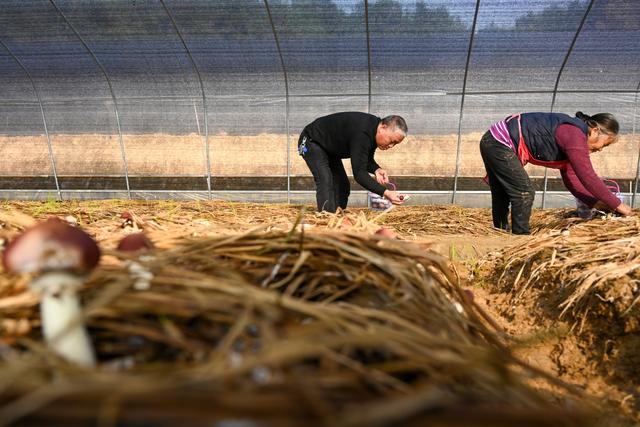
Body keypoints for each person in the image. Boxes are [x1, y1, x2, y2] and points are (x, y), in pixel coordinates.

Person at [480, 111, 632, 234]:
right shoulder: (575, 135)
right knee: (523, 192)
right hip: (499, 143)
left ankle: (499, 232)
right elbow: (588, 176)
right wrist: (617, 204)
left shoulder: (574, 138)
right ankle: (520, 236)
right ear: (595, 131)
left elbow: (572, 180)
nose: (600, 149)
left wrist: (594, 203)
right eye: (604, 144)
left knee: (502, 192)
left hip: (493, 140)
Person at [298, 112, 407, 212]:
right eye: (391, 141)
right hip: (311, 141)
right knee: (325, 180)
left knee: (342, 185)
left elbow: (364, 158)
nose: (391, 146)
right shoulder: (363, 133)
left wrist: (376, 169)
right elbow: (359, 174)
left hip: (329, 148)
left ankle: (337, 216)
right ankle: (327, 220)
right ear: (383, 127)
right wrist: (386, 193)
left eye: (395, 144)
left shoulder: (372, 130)